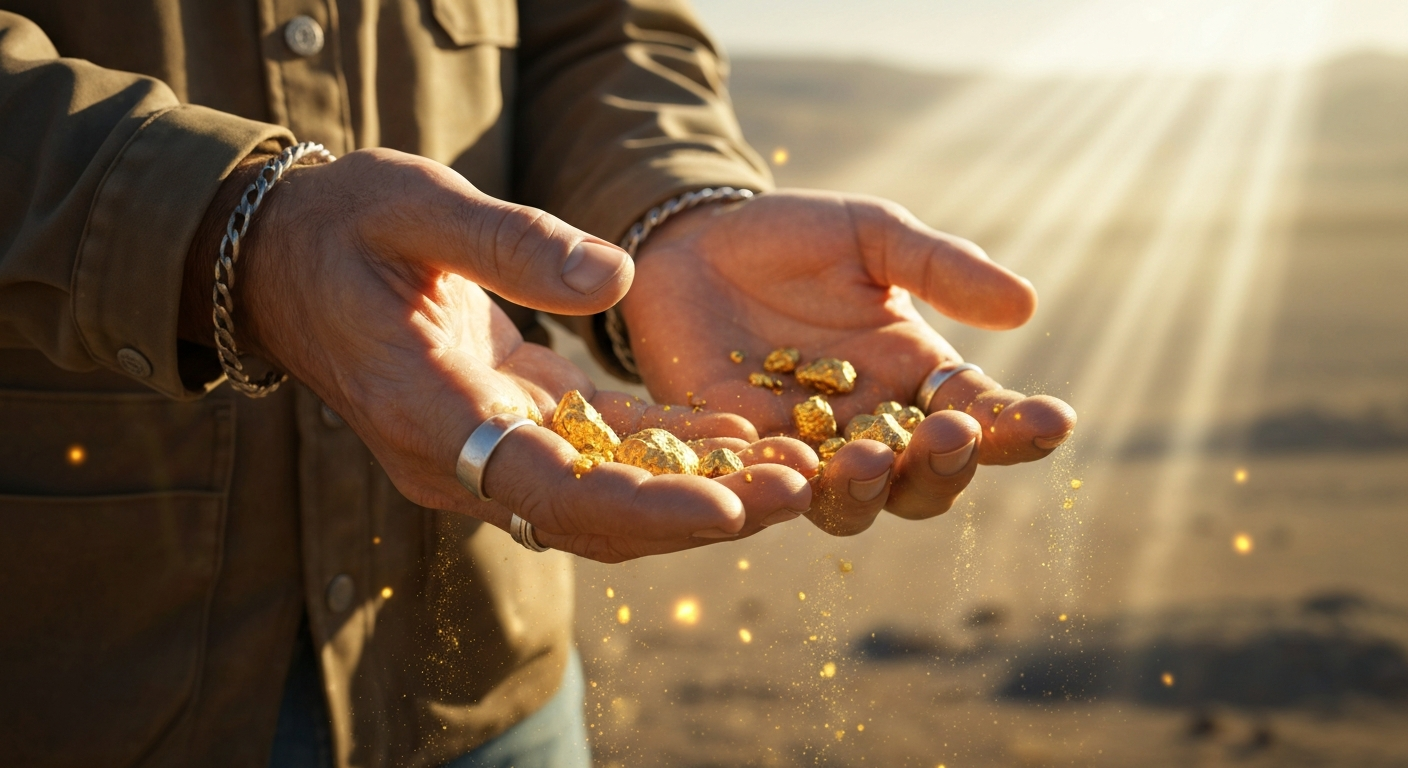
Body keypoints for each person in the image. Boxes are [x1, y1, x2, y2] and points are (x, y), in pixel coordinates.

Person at [0, 1, 1076, 766]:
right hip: (79, 684)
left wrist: (671, 210)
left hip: (483, 680)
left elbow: (598, 29)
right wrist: (233, 234)